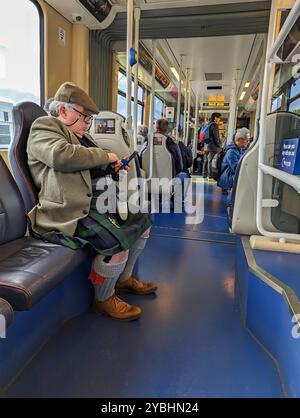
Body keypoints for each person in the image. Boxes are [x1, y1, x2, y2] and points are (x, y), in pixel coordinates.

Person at [27, 82, 157, 322]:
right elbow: (61, 156)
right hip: (66, 211)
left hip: (92, 202)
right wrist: (105, 156)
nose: (88, 123)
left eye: (89, 118)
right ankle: (104, 298)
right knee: (116, 245)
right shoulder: (45, 127)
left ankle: (124, 279)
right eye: (84, 116)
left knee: (144, 222)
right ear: (63, 111)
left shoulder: (82, 137)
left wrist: (112, 168)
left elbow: (88, 170)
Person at [217, 127, 250, 195]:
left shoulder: (240, 149)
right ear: (239, 140)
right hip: (228, 178)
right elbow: (235, 169)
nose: (248, 142)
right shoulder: (231, 152)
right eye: (246, 140)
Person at [202, 112, 222, 180]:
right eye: (219, 118)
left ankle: (204, 174)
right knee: (210, 160)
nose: (219, 119)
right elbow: (216, 137)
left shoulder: (207, 124)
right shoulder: (214, 125)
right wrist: (219, 146)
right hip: (212, 146)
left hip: (206, 146)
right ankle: (210, 175)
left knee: (205, 160)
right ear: (216, 117)